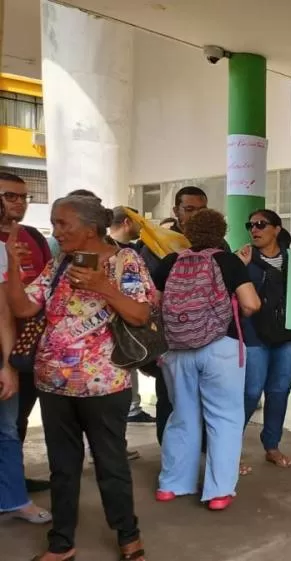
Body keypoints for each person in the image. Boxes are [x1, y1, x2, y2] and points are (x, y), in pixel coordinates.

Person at [6, 195, 153, 561]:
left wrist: (102, 286)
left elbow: (139, 315)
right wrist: (10, 263)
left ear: (90, 228)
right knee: (63, 468)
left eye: (62, 224)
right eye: (54, 223)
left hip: (105, 385)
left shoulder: (126, 261)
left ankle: (128, 535)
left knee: (111, 464)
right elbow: (24, 307)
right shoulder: (59, 263)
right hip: (52, 384)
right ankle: (62, 543)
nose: (55, 231)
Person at [153, 209, 260, 511]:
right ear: (222, 232)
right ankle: (218, 492)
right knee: (224, 419)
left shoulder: (170, 262)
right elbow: (251, 304)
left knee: (182, 416)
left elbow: (154, 305)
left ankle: (171, 484)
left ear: (188, 232)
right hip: (220, 347)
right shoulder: (228, 261)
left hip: (177, 349)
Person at [138, 186, 215, 445]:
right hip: (170, 340)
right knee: (170, 400)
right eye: (189, 209)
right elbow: (149, 295)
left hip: (209, 337)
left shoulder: (218, 242)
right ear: (176, 211)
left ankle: (201, 452)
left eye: (201, 210)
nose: (195, 215)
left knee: (206, 399)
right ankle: (171, 457)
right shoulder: (155, 245)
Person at [237, 210, 291, 470]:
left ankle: (272, 445)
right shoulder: (243, 259)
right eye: (250, 224)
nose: (254, 229)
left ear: (276, 229)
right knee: (251, 391)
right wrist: (238, 269)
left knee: (279, 391)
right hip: (253, 335)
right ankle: (230, 447)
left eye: (261, 224)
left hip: (289, 336)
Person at [0, 172, 54, 494]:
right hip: (3, 342)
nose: (18, 202)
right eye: (10, 195)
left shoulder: (34, 236)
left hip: (30, 344)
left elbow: (49, 285)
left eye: (23, 197)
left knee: (17, 419)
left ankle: (12, 480)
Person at [109, 206, 156, 425]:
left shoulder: (135, 250)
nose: (142, 226)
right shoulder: (113, 251)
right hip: (113, 331)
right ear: (127, 222)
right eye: (139, 221)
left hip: (130, 328)